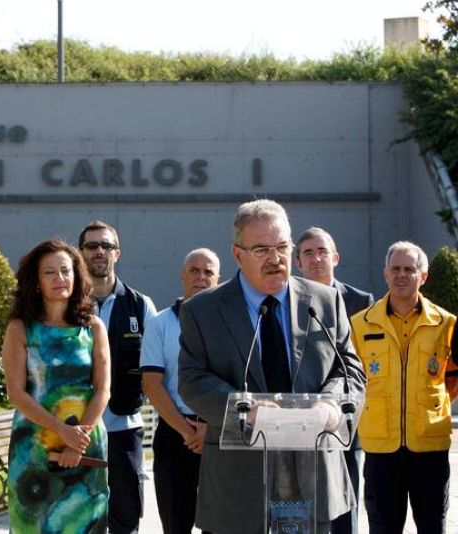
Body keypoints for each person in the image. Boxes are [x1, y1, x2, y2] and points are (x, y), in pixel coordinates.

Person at [177, 199, 366, 534]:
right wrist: (242, 407)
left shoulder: (324, 301)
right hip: (239, 485)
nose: (276, 258)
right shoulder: (202, 310)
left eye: (282, 246)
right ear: (237, 254)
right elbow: (192, 380)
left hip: (314, 476)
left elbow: (349, 369)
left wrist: (332, 403)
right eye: (262, 249)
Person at [1, 239, 111, 533]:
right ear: (36, 281)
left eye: (65, 270)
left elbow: (103, 389)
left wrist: (80, 436)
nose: (59, 278)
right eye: (49, 272)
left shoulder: (93, 327)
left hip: (86, 442)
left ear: (77, 275)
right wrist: (62, 431)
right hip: (34, 448)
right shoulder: (20, 328)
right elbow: (16, 393)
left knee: (84, 524)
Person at [351, 241, 457, 534]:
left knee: (432, 526)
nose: (401, 275)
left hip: (429, 446)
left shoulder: (446, 324)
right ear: (385, 273)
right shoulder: (360, 325)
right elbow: (351, 379)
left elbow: (453, 378)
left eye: (409, 269)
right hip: (381, 448)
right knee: (383, 528)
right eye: (395, 269)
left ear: (423, 276)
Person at [78, 220, 157, 534]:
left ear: (117, 253)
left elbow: (156, 367)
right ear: (80, 253)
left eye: (106, 245)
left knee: (126, 518)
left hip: (124, 429)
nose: (99, 251)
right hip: (76, 430)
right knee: (80, 520)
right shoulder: (65, 306)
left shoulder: (140, 305)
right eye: (92, 245)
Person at [295, 226, 374, 534]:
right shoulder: (285, 302)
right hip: (297, 416)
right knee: (298, 507)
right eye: (308, 253)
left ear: (336, 258)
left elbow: (363, 364)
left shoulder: (359, 301)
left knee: (345, 500)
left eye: (323, 251)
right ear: (298, 262)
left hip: (344, 419)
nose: (316, 258)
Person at [140, 248, 220, 534]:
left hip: (220, 436)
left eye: (208, 271)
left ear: (218, 278)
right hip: (175, 436)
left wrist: (211, 428)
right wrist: (188, 432)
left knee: (220, 526)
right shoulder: (159, 323)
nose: (201, 277)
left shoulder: (230, 324)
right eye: (194, 271)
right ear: (182, 276)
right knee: (176, 525)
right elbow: (151, 383)